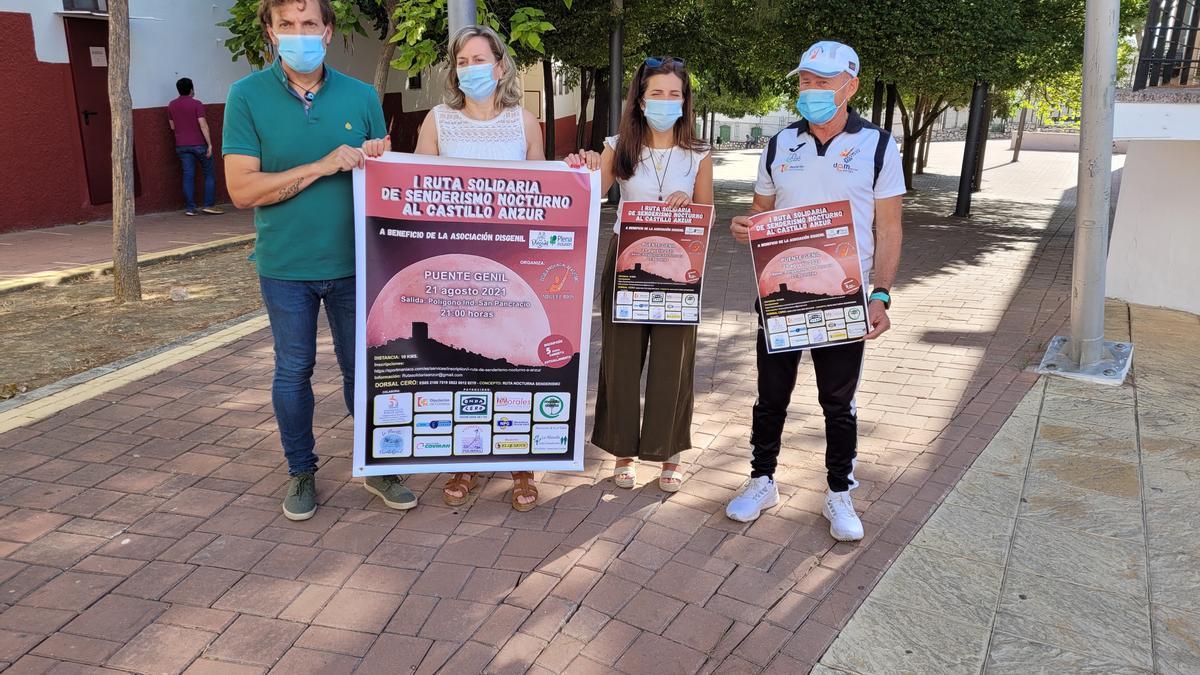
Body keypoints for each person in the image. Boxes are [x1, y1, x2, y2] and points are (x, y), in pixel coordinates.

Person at [222, 0, 409, 521]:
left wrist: (378, 157)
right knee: (293, 371)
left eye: (309, 24)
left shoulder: (362, 95)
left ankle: (379, 467)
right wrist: (324, 164)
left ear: (327, 32)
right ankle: (301, 471)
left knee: (366, 373)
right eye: (286, 25)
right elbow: (242, 190)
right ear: (271, 32)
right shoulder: (246, 97)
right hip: (285, 265)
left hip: (357, 265)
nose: (298, 34)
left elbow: (388, 179)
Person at [725, 41, 905, 542]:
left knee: (838, 403)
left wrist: (882, 294)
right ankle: (762, 481)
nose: (811, 90)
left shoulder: (878, 146)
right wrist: (746, 226)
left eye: (822, 82)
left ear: (850, 85)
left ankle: (839, 492)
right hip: (779, 296)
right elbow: (760, 213)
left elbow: (890, 229)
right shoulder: (779, 144)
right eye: (805, 81)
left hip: (844, 296)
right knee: (770, 397)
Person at [413, 25, 546, 512]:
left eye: (479, 59)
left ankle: (522, 467)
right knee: (462, 361)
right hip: (455, 272)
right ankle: (463, 463)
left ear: (501, 66)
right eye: (462, 61)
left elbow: (545, 199)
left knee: (511, 361)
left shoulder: (524, 124)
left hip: (510, 271)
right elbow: (416, 191)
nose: (470, 69)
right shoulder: (437, 122)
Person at [566, 56, 712, 493]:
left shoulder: (698, 154)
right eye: (657, 93)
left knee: (674, 361)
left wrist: (691, 204)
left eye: (675, 94)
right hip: (627, 263)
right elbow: (590, 189)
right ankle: (623, 451)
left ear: (685, 100)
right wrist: (584, 164)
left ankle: (670, 453)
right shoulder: (620, 145)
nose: (666, 101)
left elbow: (709, 213)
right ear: (641, 99)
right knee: (622, 358)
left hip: (679, 267)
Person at [168, 78, 222, 216]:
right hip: (199, 144)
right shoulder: (197, 104)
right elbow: (203, 124)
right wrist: (209, 144)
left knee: (188, 175)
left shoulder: (172, 105)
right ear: (191, 89)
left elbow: (172, 126)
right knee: (209, 173)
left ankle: (190, 208)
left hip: (181, 145)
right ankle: (209, 205)